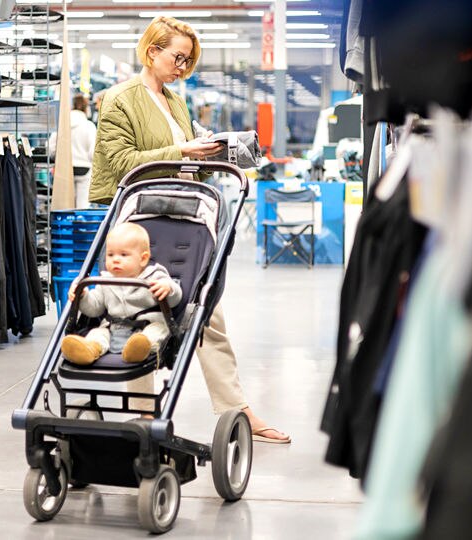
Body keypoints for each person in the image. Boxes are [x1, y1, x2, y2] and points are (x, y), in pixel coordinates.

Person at [88, 16, 291, 444]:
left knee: (206, 312)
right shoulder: (119, 100)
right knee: (135, 312)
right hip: (136, 226)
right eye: (177, 57)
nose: (182, 66)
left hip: (180, 220)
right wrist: (181, 149)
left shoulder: (176, 102)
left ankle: (237, 409)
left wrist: (213, 148)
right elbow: (123, 162)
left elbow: (184, 153)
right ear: (152, 51)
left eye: (188, 60)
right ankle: (140, 416)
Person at [61, 223, 181, 365]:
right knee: (98, 333)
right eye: (110, 255)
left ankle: (139, 349)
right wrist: (83, 296)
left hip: (147, 325)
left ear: (143, 259)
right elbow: (94, 309)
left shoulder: (155, 276)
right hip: (113, 328)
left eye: (123, 255)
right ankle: (89, 349)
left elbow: (175, 299)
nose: (115, 259)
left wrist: (168, 289)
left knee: (157, 331)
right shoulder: (105, 280)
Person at [49, 93, 97, 208]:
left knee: (65, 206)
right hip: (84, 169)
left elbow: (51, 147)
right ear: (86, 108)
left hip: (64, 168)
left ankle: (66, 225)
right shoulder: (89, 126)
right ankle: (80, 225)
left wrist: (58, 159)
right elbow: (93, 152)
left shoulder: (62, 125)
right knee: (82, 205)